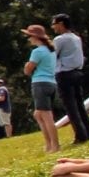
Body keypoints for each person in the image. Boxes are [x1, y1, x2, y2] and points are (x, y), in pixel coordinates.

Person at [52, 14, 89, 144]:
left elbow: (52, 55)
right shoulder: (76, 38)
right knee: (80, 105)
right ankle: (88, 132)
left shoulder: (59, 39)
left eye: (54, 24)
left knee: (70, 107)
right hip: (77, 72)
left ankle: (80, 135)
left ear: (60, 24)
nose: (53, 27)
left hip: (64, 73)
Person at [23, 24, 63, 153]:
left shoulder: (37, 51)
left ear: (35, 37)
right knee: (38, 114)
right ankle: (48, 143)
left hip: (40, 83)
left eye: (29, 36)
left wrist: (27, 66)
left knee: (46, 116)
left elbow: (28, 70)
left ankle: (55, 145)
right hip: (51, 83)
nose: (28, 39)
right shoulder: (50, 50)